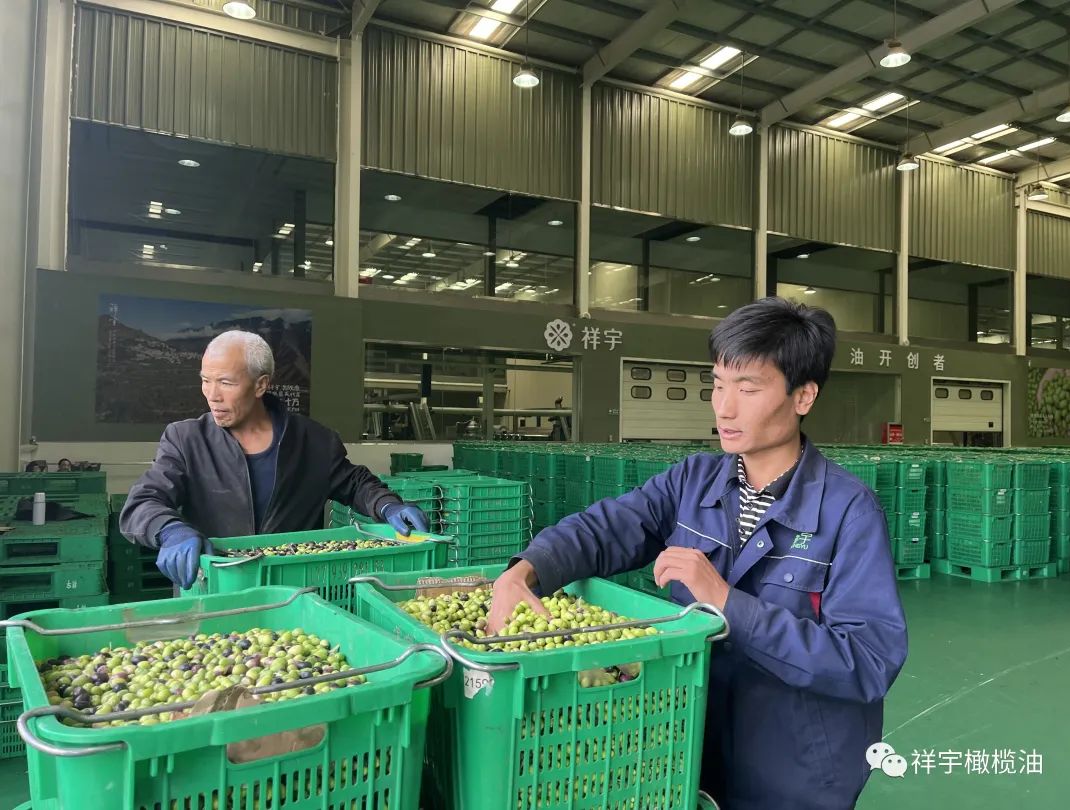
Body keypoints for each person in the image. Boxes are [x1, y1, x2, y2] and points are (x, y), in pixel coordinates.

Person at [486, 298, 908, 810]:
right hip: (690, 749)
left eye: (747, 389)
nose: (724, 408)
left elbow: (867, 662)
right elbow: (607, 527)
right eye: (717, 384)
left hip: (793, 773)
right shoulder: (694, 480)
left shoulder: (848, 512)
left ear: (803, 396)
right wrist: (525, 572)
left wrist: (728, 603)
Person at [120, 330, 429, 589]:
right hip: (213, 589)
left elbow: (355, 483)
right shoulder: (186, 439)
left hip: (293, 595)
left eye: (226, 383)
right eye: (205, 380)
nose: (212, 395)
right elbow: (144, 502)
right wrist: (170, 530)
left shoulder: (313, 442)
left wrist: (387, 505)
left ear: (261, 384)